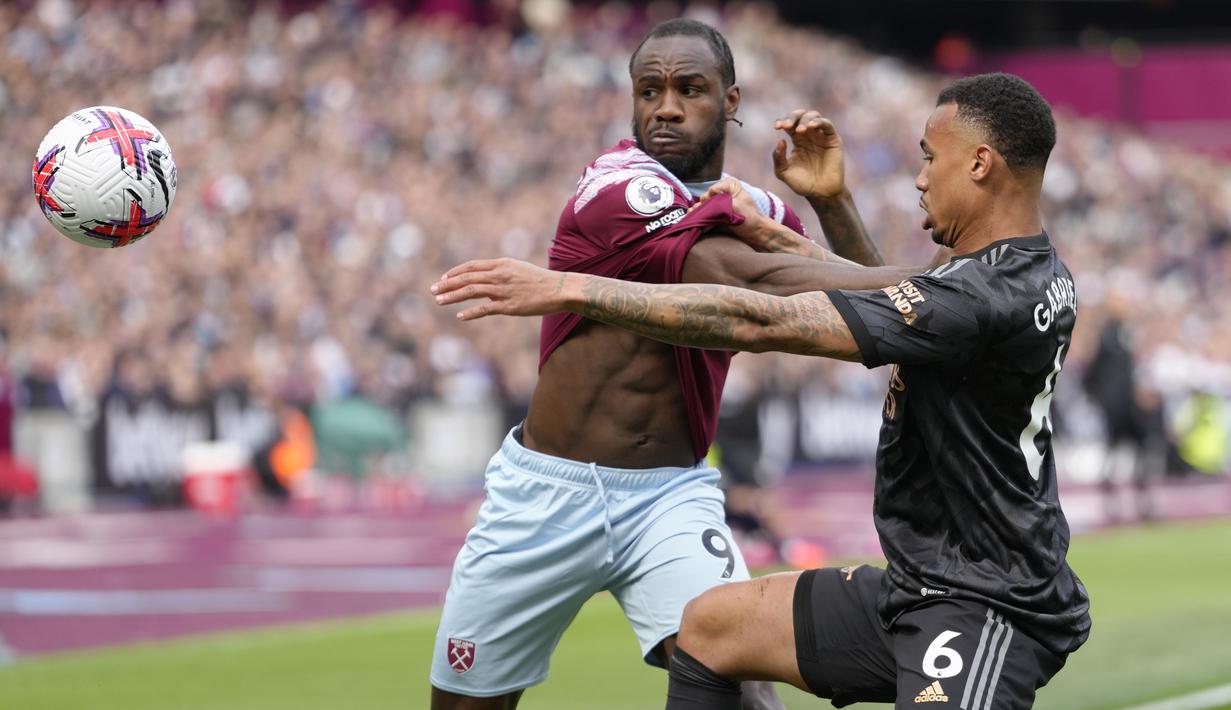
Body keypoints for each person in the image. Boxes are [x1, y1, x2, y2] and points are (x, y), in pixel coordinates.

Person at [432, 72, 1091, 709]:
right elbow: (913, 311)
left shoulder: (979, 295)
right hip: (918, 583)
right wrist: (823, 208)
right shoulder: (1012, 273)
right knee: (710, 629)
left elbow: (760, 317)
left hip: (986, 604)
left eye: (928, 158)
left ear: (978, 164)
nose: (919, 177)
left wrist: (570, 287)